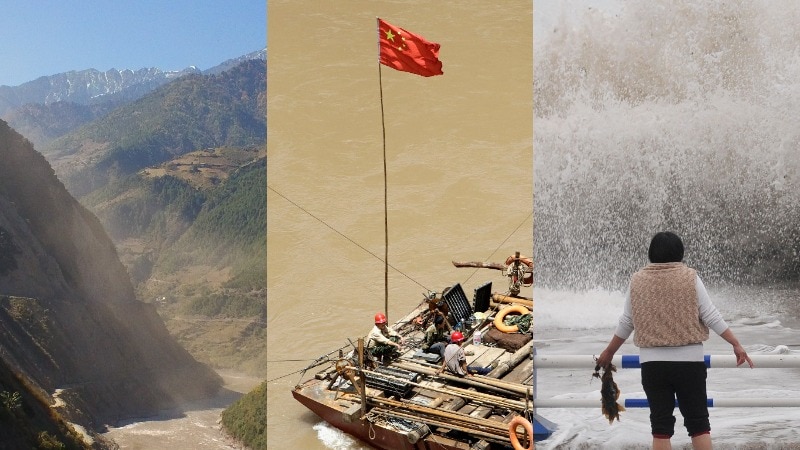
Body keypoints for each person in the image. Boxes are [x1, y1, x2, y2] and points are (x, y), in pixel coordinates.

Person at [596, 231, 754, 450]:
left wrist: (609, 352)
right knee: (698, 424)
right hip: (690, 364)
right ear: (680, 253)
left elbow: (626, 322)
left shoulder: (637, 280)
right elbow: (710, 314)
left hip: (653, 366)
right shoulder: (690, 277)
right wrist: (735, 343)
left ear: (651, 254)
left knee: (660, 427)